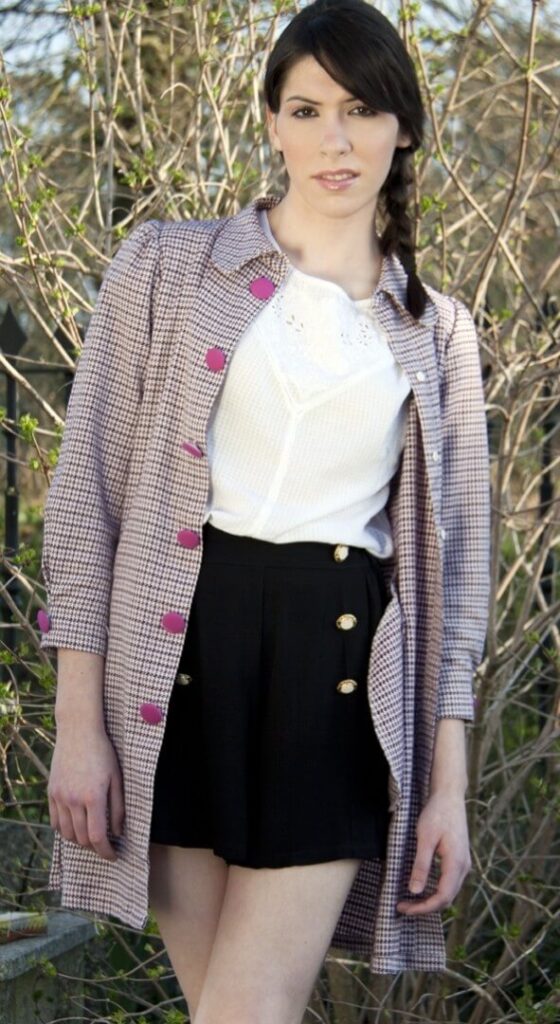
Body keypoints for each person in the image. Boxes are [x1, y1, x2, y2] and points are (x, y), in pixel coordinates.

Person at [42, 0, 490, 1020]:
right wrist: (79, 725)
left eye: (362, 110)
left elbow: (456, 582)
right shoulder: (166, 266)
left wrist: (446, 789)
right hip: (176, 665)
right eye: (307, 109)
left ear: (402, 129)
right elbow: (85, 498)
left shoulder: (438, 335)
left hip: (335, 676)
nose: (335, 140)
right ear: (272, 124)